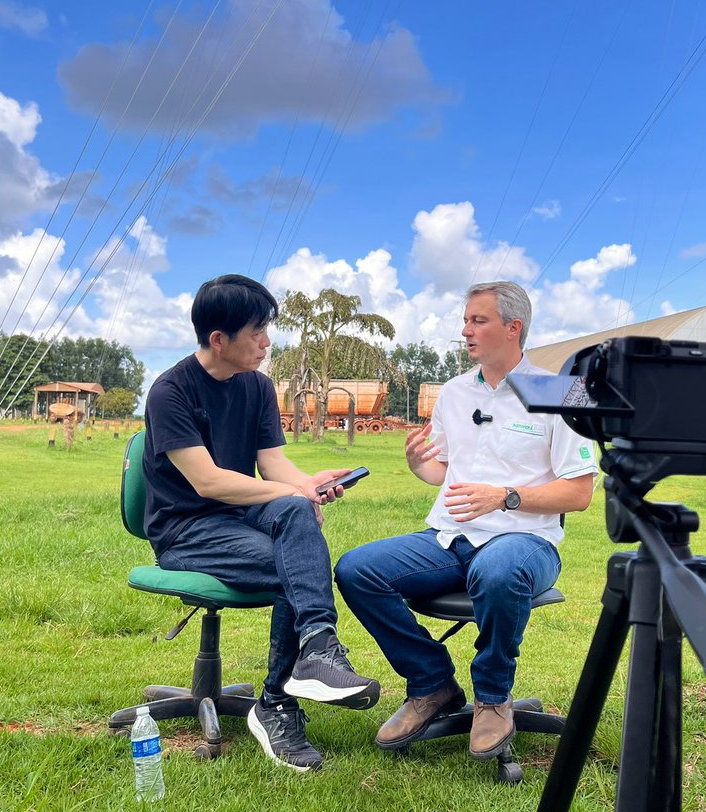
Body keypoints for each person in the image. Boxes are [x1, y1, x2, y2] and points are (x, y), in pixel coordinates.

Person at [335, 281, 596, 760]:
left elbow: (579, 493)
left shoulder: (562, 393)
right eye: (466, 320)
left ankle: (493, 699)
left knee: (496, 569)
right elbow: (443, 470)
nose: (466, 331)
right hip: (450, 537)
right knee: (356, 570)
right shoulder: (454, 393)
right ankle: (432, 684)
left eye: (478, 321)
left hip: (525, 540)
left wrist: (505, 497)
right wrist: (419, 465)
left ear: (513, 327)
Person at [143, 273, 379, 773]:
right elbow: (209, 483)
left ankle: (318, 649)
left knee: (295, 513)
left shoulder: (257, 386)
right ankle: (276, 702)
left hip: (239, 519)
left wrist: (304, 485)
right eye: (256, 333)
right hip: (186, 531)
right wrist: (294, 490)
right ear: (218, 339)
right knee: (296, 565)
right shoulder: (171, 392)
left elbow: (273, 466)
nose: (267, 343)